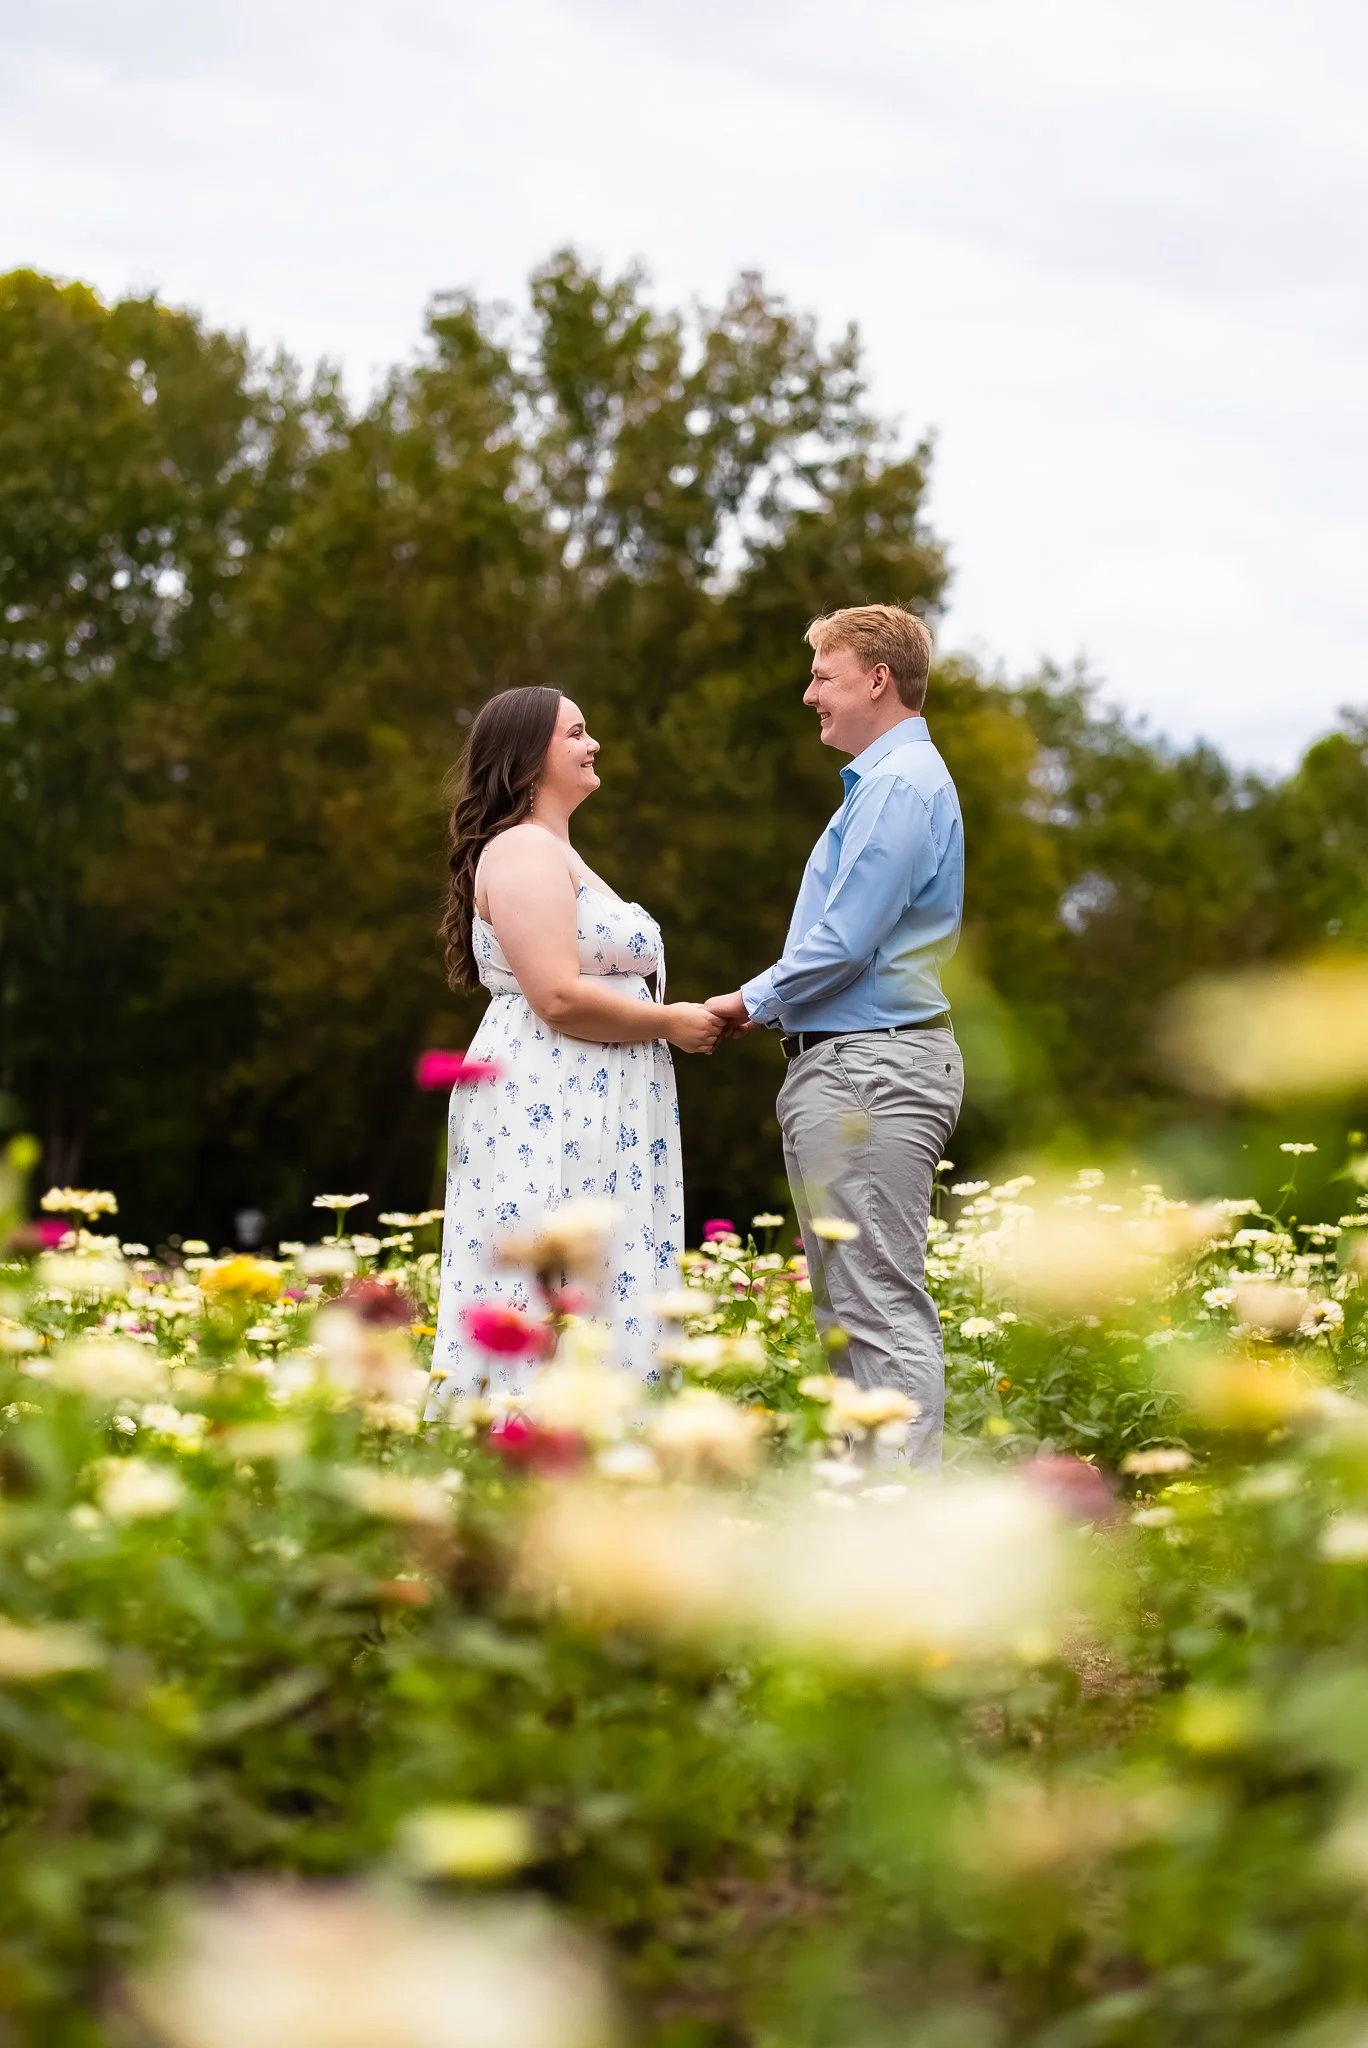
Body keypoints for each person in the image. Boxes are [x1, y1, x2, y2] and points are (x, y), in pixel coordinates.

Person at [707, 606, 965, 1467]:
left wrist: (743, 1003)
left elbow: (845, 941)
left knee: (878, 1307)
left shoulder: (899, 785)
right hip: (862, 1063)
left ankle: (901, 1533)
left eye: (824, 673)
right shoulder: (887, 784)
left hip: (872, 1068)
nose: (809, 691)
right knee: (852, 1310)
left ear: (877, 679)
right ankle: (870, 1532)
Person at [428, 686, 724, 1406]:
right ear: (530, 757)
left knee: (594, 1278)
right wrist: (670, 1022)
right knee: (554, 1277)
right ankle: (521, 1450)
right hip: (551, 1097)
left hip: (596, 1094)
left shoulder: (554, 849)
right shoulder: (525, 849)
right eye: (577, 734)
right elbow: (556, 996)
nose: (593, 746)